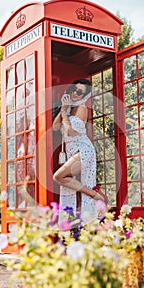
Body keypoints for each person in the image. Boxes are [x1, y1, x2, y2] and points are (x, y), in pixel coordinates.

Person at [53, 78, 105, 215]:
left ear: (84, 95)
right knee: (66, 183)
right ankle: (73, 220)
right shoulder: (68, 108)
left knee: (58, 176)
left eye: (79, 92)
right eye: (73, 89)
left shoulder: (82, 109)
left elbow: (70, 131)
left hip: (84, 149)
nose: (75, 93)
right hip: (73, 151)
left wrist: (64, 114)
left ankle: (95, 195)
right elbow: (55, 127)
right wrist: (63, 109)